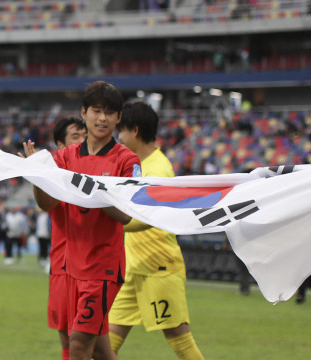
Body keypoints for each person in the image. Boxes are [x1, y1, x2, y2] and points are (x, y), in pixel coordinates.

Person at [23, 80, 141, 360]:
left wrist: (93, 190)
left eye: (110, 113)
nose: (103, 118)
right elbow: (47, 205)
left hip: (103, 268)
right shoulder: (63, 157)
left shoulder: (127, 160)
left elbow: (126, 215)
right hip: (71, 267)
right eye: (96, 111)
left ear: (118, 118)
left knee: (77, 344)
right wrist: (39, 178)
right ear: (84, 112)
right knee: (100, 350)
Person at [110, 100, 204, 359]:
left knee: (179, 340)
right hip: (134, 267)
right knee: (104, 343)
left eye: (122, 131)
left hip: (158, 267)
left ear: (135, 131)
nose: (119, 137)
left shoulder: (158, 170)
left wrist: (111, 222)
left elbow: (148, 218)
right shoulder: (136, 165)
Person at [46, 116, 87, 359]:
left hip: (90, 266)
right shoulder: (54, 174)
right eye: (75, 136)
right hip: (61, 263)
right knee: (65, 334)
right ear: (61, 144)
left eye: (85, 136)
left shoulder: (96, 171)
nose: (82, 141)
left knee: (85, 337)